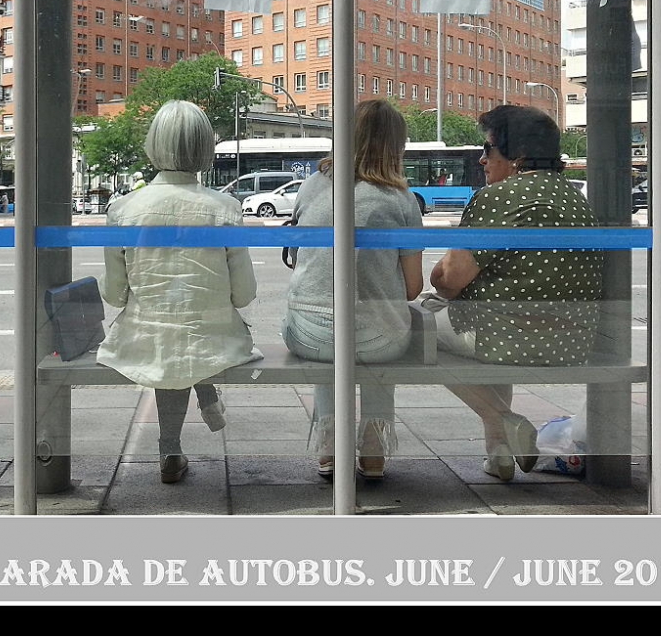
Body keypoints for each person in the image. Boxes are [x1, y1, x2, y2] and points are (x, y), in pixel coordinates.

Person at [430, 104, 603, 482]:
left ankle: (503, 421)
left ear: (518, 158)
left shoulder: (497, 198)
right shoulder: (577, 200)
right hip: (572, 342)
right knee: (488, 325)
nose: (482, 159)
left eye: (489, 150)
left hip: (509, 339)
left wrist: (445, 264)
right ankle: (499, 456)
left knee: (412, 330)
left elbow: (448, 281)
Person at [97, 100, 260, 484]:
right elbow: (245, 294)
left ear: (153, 144)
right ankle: (205, 396)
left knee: (169, 341)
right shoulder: (226, 209)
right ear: (206, 148)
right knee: (189, 338)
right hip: (215, 339)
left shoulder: (123, 210)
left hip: (144, 338)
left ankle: (169, 445)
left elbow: (115, 296)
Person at [282, 98, 424, 480]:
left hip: (307, 332)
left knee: (330, 351)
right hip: (379, 339)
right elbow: (412, 288)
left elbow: (298, 257)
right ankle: (374, 451)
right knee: (386, 330)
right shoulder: (402, 199)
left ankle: (330, 449)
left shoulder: (313, 186)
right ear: (397, 146)